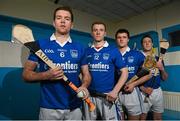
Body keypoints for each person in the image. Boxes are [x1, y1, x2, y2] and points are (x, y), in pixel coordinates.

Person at [22, 6, 91, 120]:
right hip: (49, 107)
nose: (63, 21)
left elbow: (86, 74)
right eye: (59, 18)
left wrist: (84, 86)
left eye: (67, 19)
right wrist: (46, 75)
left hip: (74, 107)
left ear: (72, 25)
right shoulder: (40, 45)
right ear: (54, 23)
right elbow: (26, 75)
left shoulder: (80, 47)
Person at [83, 22, 128, 120]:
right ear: (92, 33)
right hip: (89, 97)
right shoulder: (86, 51)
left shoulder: (113, 50)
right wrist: (83, 87)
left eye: (101, 30)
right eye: (95, 30)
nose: (98, 32)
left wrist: (115, 91)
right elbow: (82, 73)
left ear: (105, 33)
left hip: (108, 96)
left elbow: (125, 72)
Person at [115, 29, 152, 120]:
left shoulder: (137, 54)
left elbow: (149, 73)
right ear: (116, 39)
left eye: (124, 37)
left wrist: (134, 84)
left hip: (131, 92)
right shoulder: (112, 53)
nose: (121, 39)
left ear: (128, 39)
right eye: (119, 37)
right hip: (115, 92)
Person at [140, 35, 168, 120]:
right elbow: (134, 78)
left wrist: (162, 69)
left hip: (157, 92)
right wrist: (143, 89)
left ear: (152, 44)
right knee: (142, 117)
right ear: (142, 45)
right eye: (145, 42)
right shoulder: (138, 58)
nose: (147, 43)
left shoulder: (158, 59)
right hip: (143, 92)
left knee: (158, 118)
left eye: (149, 41)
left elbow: (164, 78)